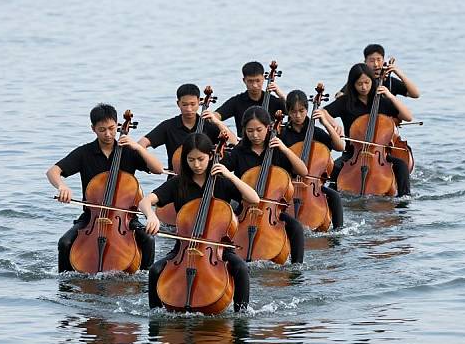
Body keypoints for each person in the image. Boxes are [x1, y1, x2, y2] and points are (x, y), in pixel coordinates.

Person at [139, 133, 259, 312]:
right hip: (184, 248)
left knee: (241, 268)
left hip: (219, 249)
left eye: (201, 159)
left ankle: (241, 312)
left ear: (211, 156)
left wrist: (230, 176)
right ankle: (156, 313)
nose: (196, 164)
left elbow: (254, 199)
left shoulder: (222, 182)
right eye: (191, 159)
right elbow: (145, 201)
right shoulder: (178, 183)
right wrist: (151, 215)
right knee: (155, 270)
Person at [46, 103, 164, 272]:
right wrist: (61, 186)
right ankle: (65, 285)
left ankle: (144, 278)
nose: (108, 134)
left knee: (148, 240)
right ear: (93, 128)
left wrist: (138, 147)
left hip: (124, 218)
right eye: (102, 130)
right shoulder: (84, 153)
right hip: (91, 218)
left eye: (111, 128)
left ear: (117, 125)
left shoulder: (128, 151)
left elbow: (158, 169)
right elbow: (53, 171)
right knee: (64, 243)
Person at [221, 106, 308, 263]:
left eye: (259, 130)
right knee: (225, 227)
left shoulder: (277, 150)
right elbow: (220, 172)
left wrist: (284, 149)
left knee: (296, 228)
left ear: (268, 127)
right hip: (245, 207)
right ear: (244, 131)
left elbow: (303, 171)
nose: (255, 135)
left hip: (271, 210)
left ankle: (297, 267)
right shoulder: (239, 152)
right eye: (250, 131)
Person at [324, 63, 413, 196]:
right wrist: (333, 124)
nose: (364, 87)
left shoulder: (381, 101)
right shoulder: (345, 102)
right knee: (334, 169)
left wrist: (390, 96)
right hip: (353, 153)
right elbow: (323, 112)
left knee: (401, 166)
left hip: (380, 155)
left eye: (367, 82)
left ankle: (404, 199)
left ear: (372, 81)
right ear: (352, 84)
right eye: (359, 84)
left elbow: (408, 117)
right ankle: (334, 200)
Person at [281, 90, 345, 229]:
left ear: (307, 109)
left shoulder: (315, 132)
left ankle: (338, 230)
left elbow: (340, 147)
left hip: (312, 184)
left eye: (302, 111)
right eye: (293, 112)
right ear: (288, 112)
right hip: (290, 182)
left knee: (334, 196)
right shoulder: (283, 134)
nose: (298, 115)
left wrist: (326, 123)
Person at [138, 84, 237, 172]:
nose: (189, 109)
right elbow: (141, 144)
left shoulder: (209, 125)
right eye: (184, 105)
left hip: (206, 179)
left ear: (199, 102)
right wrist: (153, 164)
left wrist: (217, 121)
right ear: (178, 104)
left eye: (193, 104)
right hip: (177, 182)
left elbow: (234, 143)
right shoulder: (168, 126)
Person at [212, 61, 287, 137]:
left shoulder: (273, 100)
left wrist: (281, 95)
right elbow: (217, 115)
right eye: (250, 81)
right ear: (244, 81)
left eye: (258, 81)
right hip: (244, 145)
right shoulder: (237, 101)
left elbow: (293, 111)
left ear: (263, 78)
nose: (254, 85)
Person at [335, 44, 420, 99]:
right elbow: (339, 96)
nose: (376, 64)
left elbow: (415, 94)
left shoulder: (390, 81)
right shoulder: (361, 82)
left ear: (383, 60)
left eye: (379, 60)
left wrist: (399, 74)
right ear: (365, 62)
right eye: (372, 61)